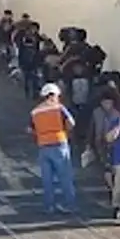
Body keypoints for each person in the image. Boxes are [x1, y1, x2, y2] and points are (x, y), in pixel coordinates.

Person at [28, 83, 78, 215]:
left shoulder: (35, 112)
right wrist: (65, 131)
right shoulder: (59, 108)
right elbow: (71, 123)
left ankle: (49, 206)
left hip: (43, 146)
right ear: (54, 95)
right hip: (59, 143)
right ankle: (70, 205)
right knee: (65, 176)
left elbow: (29, 129)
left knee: (47, 179)